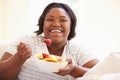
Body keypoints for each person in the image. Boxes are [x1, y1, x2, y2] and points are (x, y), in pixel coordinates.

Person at [0, 2, 99, 80]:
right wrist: (19, 57)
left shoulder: (77, 50)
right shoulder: (27, 41)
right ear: (42, 24)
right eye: (50, 19)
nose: (56, 24)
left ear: (71, 26)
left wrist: (74, 69)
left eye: (63, 20)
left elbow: (101, 72)